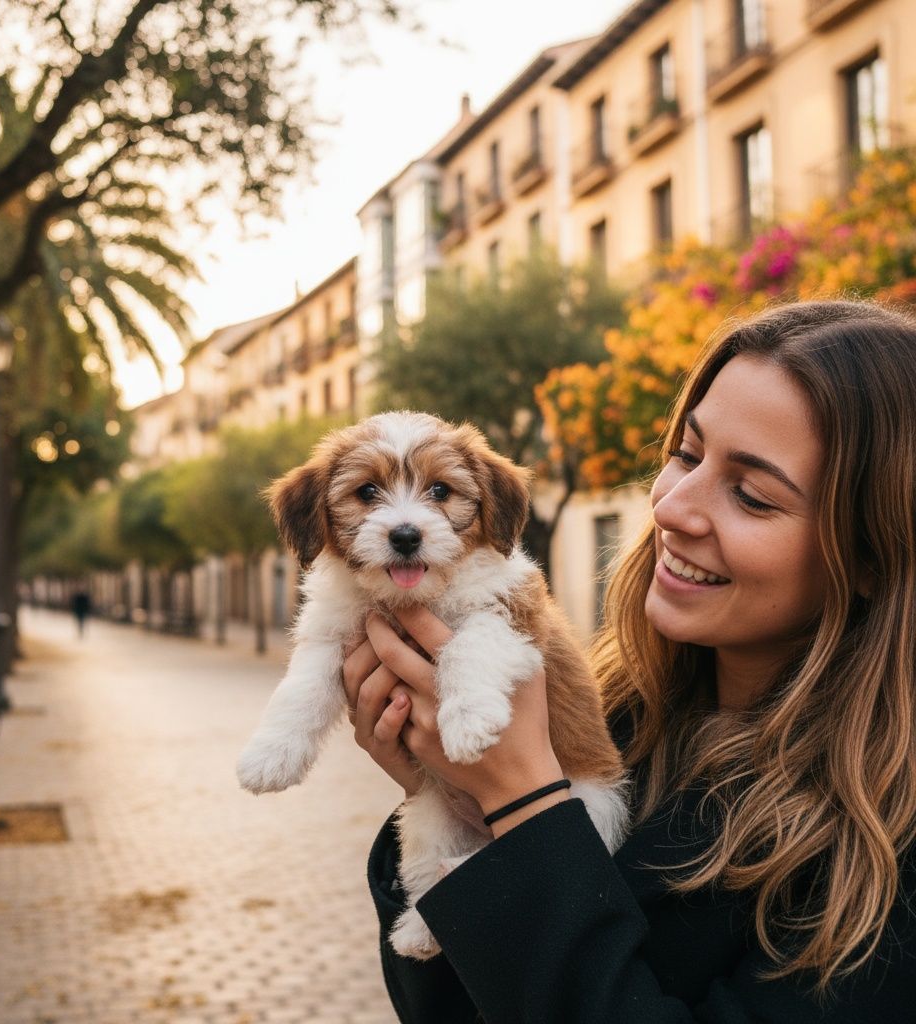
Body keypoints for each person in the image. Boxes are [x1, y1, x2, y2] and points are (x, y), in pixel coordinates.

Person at [343, 301, 916, 1022]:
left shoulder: (891, 843)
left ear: (872, 556)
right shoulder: (612, 715)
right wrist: (447, 791)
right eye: (686, 453)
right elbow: (447, 1008)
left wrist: (523, 802)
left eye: (751, 494)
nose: (673, 506)